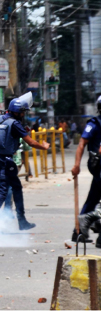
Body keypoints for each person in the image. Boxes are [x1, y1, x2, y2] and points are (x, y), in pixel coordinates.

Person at [0, 97, 49, 230]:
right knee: (3, 191)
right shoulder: (15, 124)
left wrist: (2, 144)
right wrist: (44, 147)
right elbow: (30, 142)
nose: (23, 114)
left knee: (15, 188)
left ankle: (21, 221)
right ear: (16, 112)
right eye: (22, 112)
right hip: (6, 160)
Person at [73, 96, 101, 244]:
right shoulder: (95, 123)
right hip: (99, 165)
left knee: (93, 199)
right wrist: (77, 165)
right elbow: (82, 143)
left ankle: (78, 232)